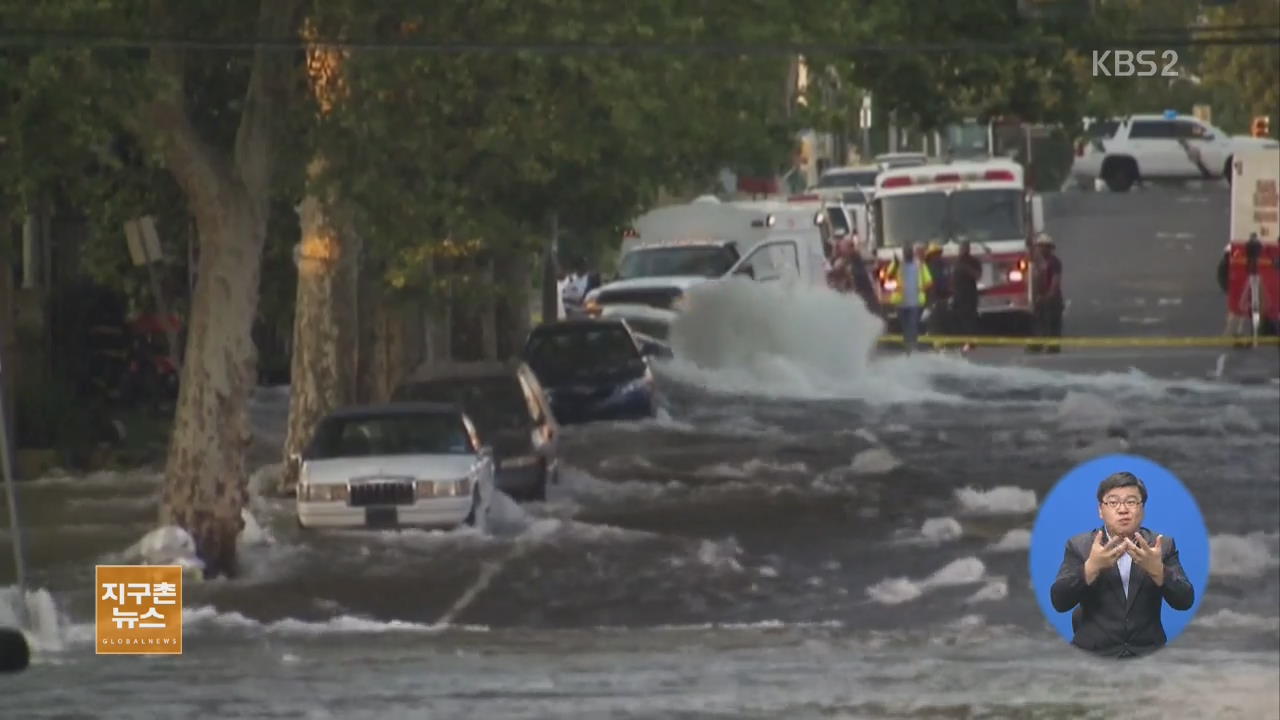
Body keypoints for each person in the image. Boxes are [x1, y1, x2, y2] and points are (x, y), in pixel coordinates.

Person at [1049, 471, 1195, 659]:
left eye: (1131, 502)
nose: (1122, 509)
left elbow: (1185, 601)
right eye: (1113, 502)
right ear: (1100, 510)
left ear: (1142, 509)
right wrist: (1090, 568)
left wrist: (1158, 572)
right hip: (1093, 655)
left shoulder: (1161, 546)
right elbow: (1059, 602)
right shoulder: (1080, 546)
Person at [885, 243, 933, 353]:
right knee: (906, 327)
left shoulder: (920, 265)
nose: (907, 254)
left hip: (915, 302)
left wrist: (919, 288)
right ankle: (909, 349)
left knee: (912, 325)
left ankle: (912, 348)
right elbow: (887, 278)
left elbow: (929, 282)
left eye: (909, 252)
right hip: (900, 302)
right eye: (906, 252)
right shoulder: (897, 264)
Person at [1028, 233, 1063, 353]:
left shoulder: (1054, 262)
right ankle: (1037, 344)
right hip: (1040, 297)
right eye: (1040, 246)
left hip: (1052, 298)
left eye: (1044, 246)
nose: (1041, 249)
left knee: (1053, 322)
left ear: (1049, 248)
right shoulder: (1038, 262)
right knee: (1038, 321)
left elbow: (1055, 280)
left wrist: (1050, 295)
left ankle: (1054, 346)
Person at [950, 240, 983, 351]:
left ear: (968, 249)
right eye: (961, 248)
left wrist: (966, 269)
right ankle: (962, 341)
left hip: (970, 295)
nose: (962, 250)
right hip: (958, 294)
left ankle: (971, 342)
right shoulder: (957, 261)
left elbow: (978, 276)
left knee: (970, 319)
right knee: (959, 318)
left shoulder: (973, 261)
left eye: (964, 248)